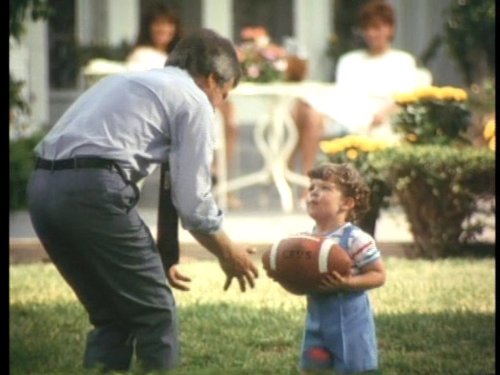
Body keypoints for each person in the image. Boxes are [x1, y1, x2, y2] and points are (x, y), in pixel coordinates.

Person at [27, 29, 259, 373]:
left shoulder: (127, 83)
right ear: (212, 79)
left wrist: (164, 255)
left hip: (41, 188)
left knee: (111, 314)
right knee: (155, 312)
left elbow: (170, 181)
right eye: (224, 95)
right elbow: (193, 201)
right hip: (93, 190)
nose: (218, 104)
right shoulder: (195, 100)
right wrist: (228, 252)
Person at [290, 0, 423, 202]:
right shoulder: (350, 60)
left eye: (377, 28)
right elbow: (342, 95)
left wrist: (383, 114)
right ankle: (309, 186)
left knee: (311, 112)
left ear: (390, 29)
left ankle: (291, 170)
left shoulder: (402, 61)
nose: (371, 33)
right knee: (306, 110)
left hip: (380, 119)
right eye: (368, 28)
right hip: (346, 114)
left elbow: (406, 98)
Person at [296, 163, 386, 374]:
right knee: (314, 369)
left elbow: (379, 274)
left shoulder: (356, 239)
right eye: (312, 188)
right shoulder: (306, 239)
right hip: (316, 323)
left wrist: (348, 283)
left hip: (351, 325)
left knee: (353, 369)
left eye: (325, 188)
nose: (314, 192)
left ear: (346, 203)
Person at [126, 3, 182, 71]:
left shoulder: (180, 57)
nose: (164, 29)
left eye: (169, 24)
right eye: (158, 24)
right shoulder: (141, 55)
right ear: (148, 28)